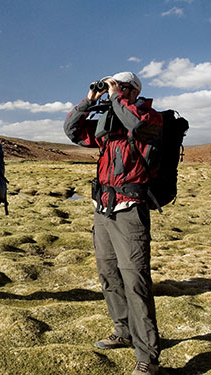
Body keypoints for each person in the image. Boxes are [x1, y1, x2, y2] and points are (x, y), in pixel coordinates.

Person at [63, 72, 163, 375]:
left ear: (133, 90)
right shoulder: (108, 124)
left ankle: (148, 356)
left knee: (136, 280)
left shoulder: (150, 118)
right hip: (103, 210)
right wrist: (89, 100)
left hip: (130, 210)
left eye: (117, 86)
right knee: (108, 273)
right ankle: (123, 331)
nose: (110, 91)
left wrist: (117, 95)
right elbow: (71, 131)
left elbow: (136, 123)